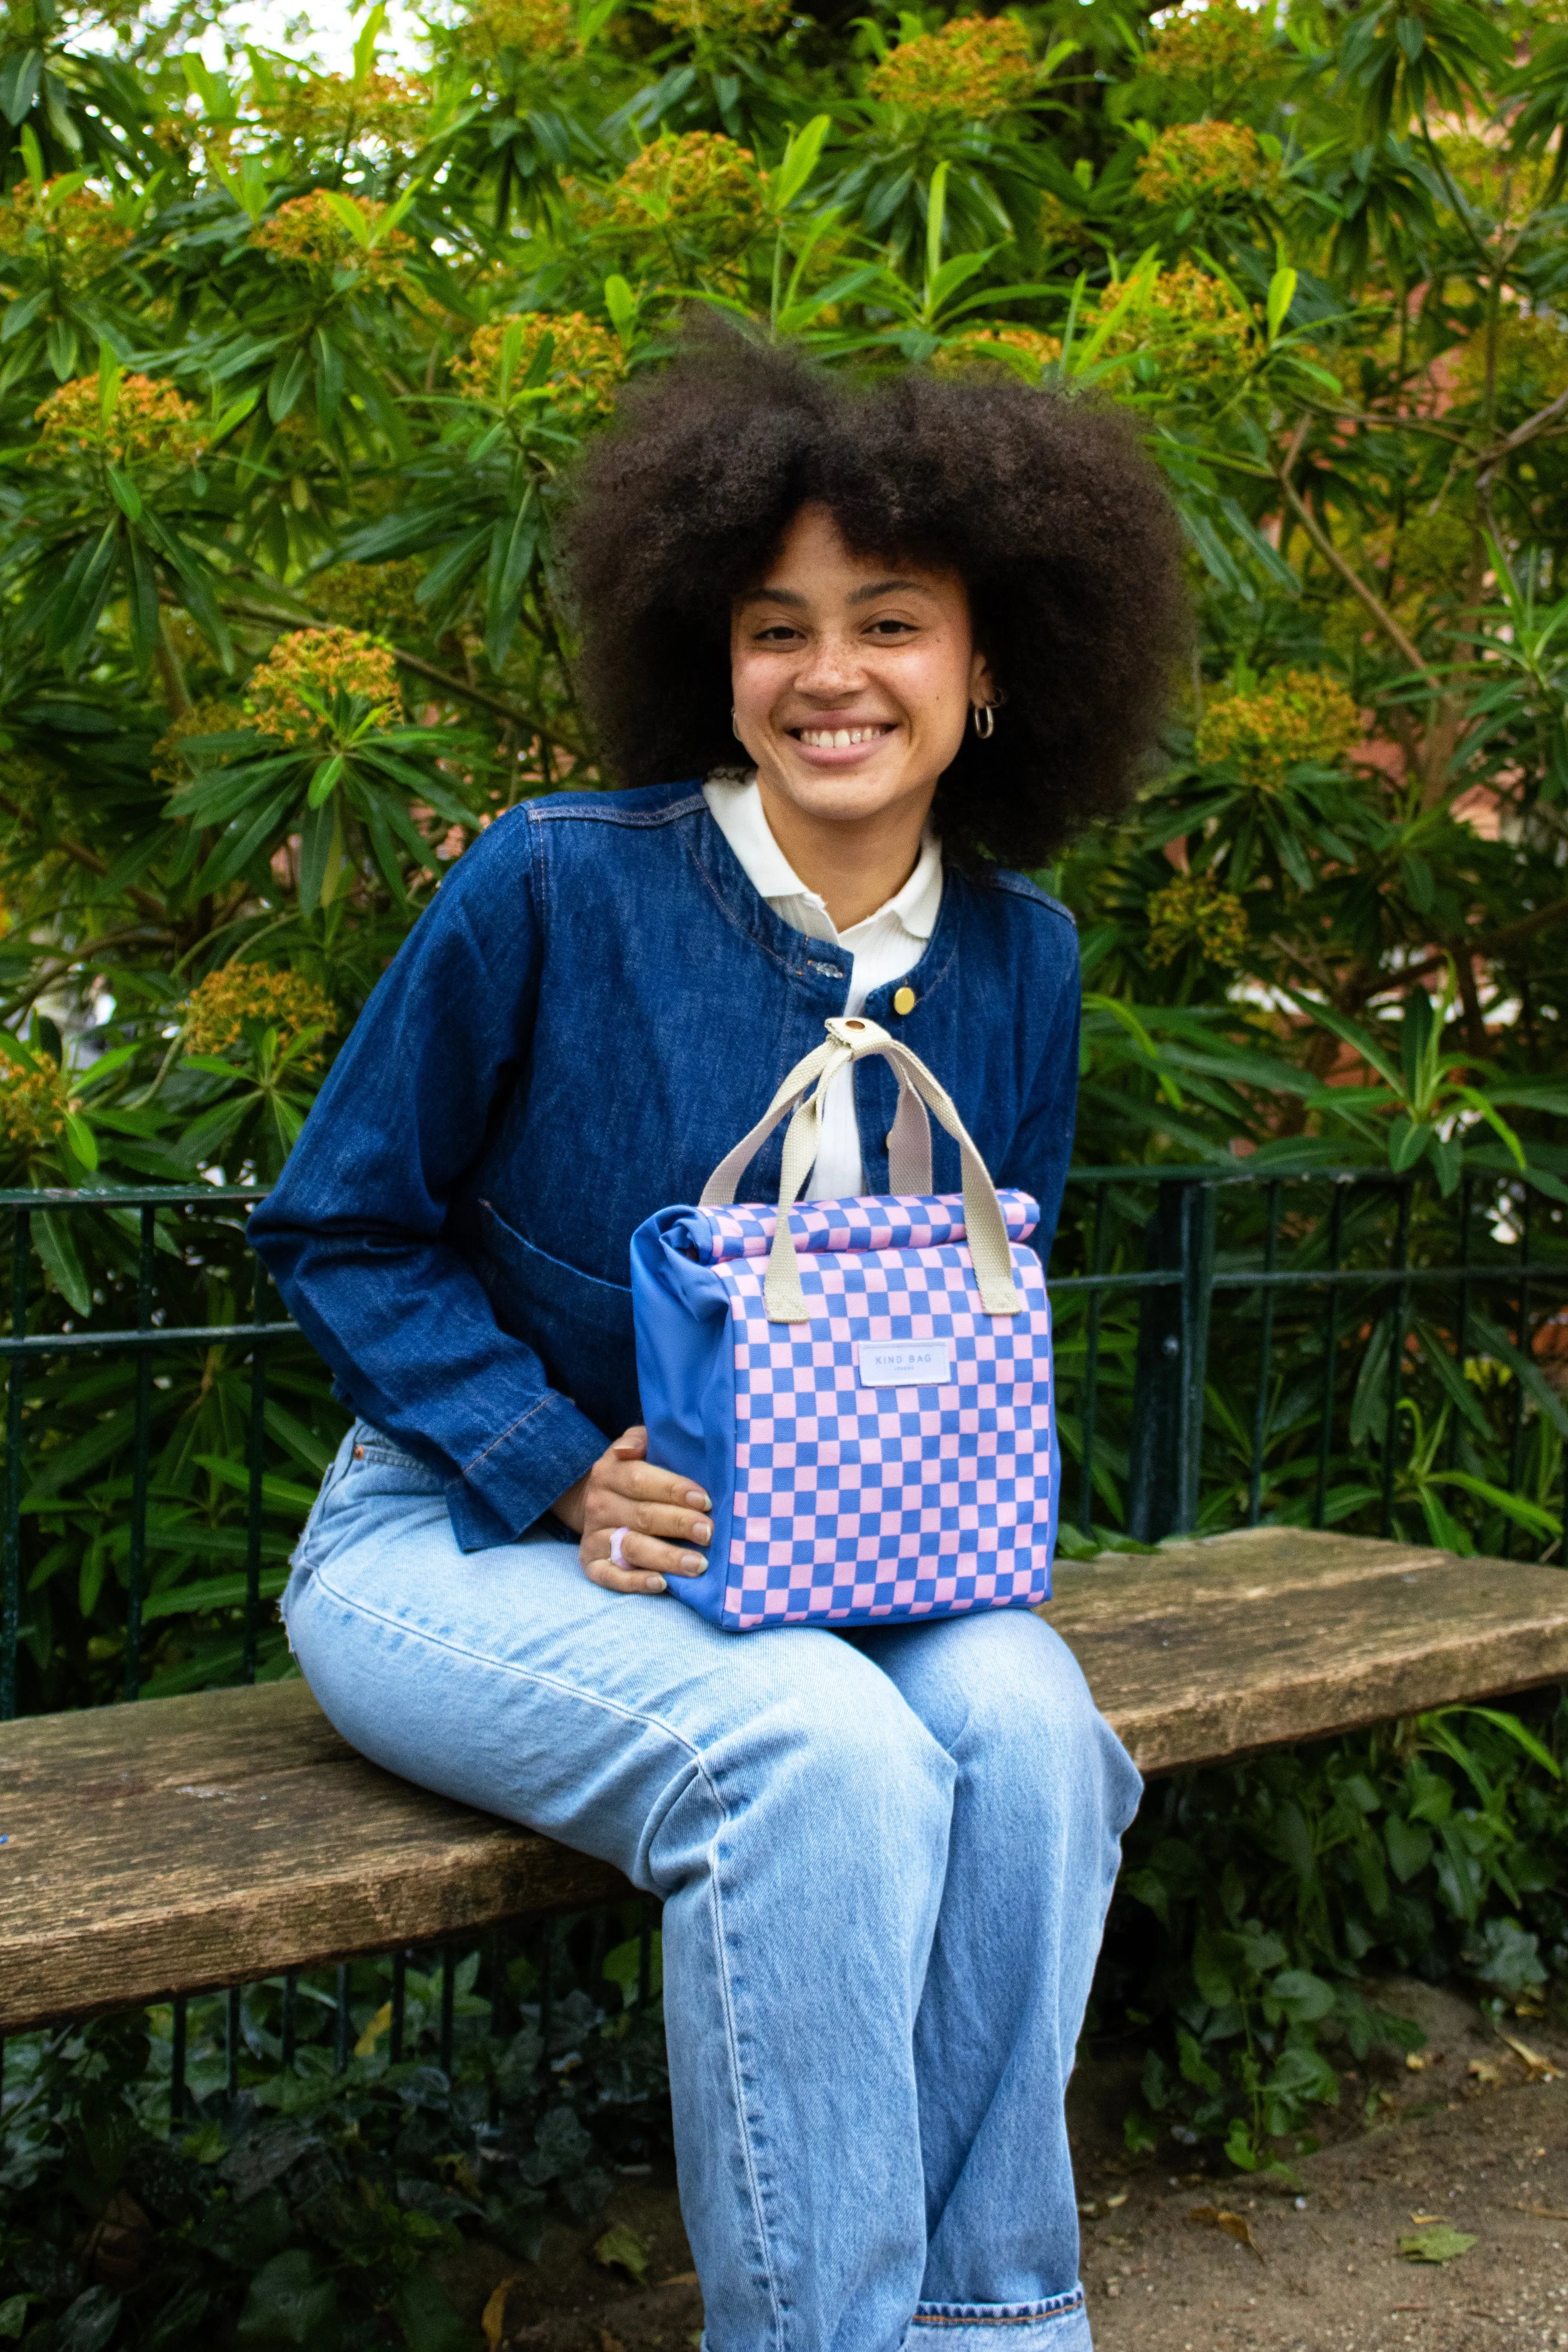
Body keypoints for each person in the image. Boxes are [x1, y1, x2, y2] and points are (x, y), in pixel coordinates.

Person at [251, 329, 1187, 2352]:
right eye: (779, 627)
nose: (831, 673)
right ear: (717, 654)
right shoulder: (555, 884)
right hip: (454, 1538)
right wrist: (551, 1463)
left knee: (1038, 1738)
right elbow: (338, 1223)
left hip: (844, 1566)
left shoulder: (1021, 959)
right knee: (818, 1754)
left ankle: (998, 2325)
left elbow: (990, 1290)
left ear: (992, 664)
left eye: (891, 621)